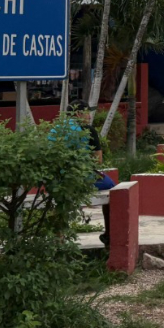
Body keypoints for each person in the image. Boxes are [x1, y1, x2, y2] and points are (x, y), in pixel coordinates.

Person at [49, 101, 115, 245]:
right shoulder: (87, 130)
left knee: (60, 199)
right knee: (113, 188)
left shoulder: (55, 130)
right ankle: (109, 234)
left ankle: (58, 238)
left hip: (58, 179)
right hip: (81, 178)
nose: (89, 117)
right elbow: (98, 161)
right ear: (78, 114)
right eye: (87, 113)